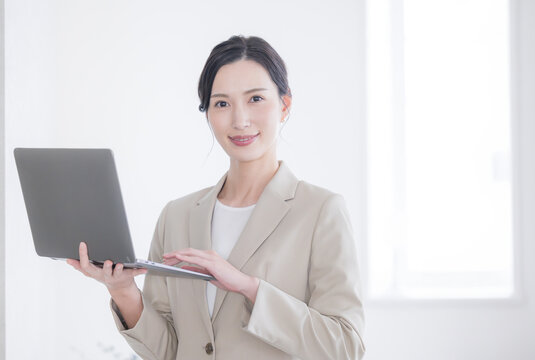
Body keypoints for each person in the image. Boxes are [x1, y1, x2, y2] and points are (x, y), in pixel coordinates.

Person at [67, 34, 366, 360]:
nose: (240, 120)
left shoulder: (321, 211)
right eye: (222, 103)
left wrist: (248, 287)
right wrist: (123, 291)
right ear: (207, 113)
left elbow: (345, 346)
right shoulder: (176, 217)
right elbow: (168, 352)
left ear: (285, 105)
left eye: (255, 99)